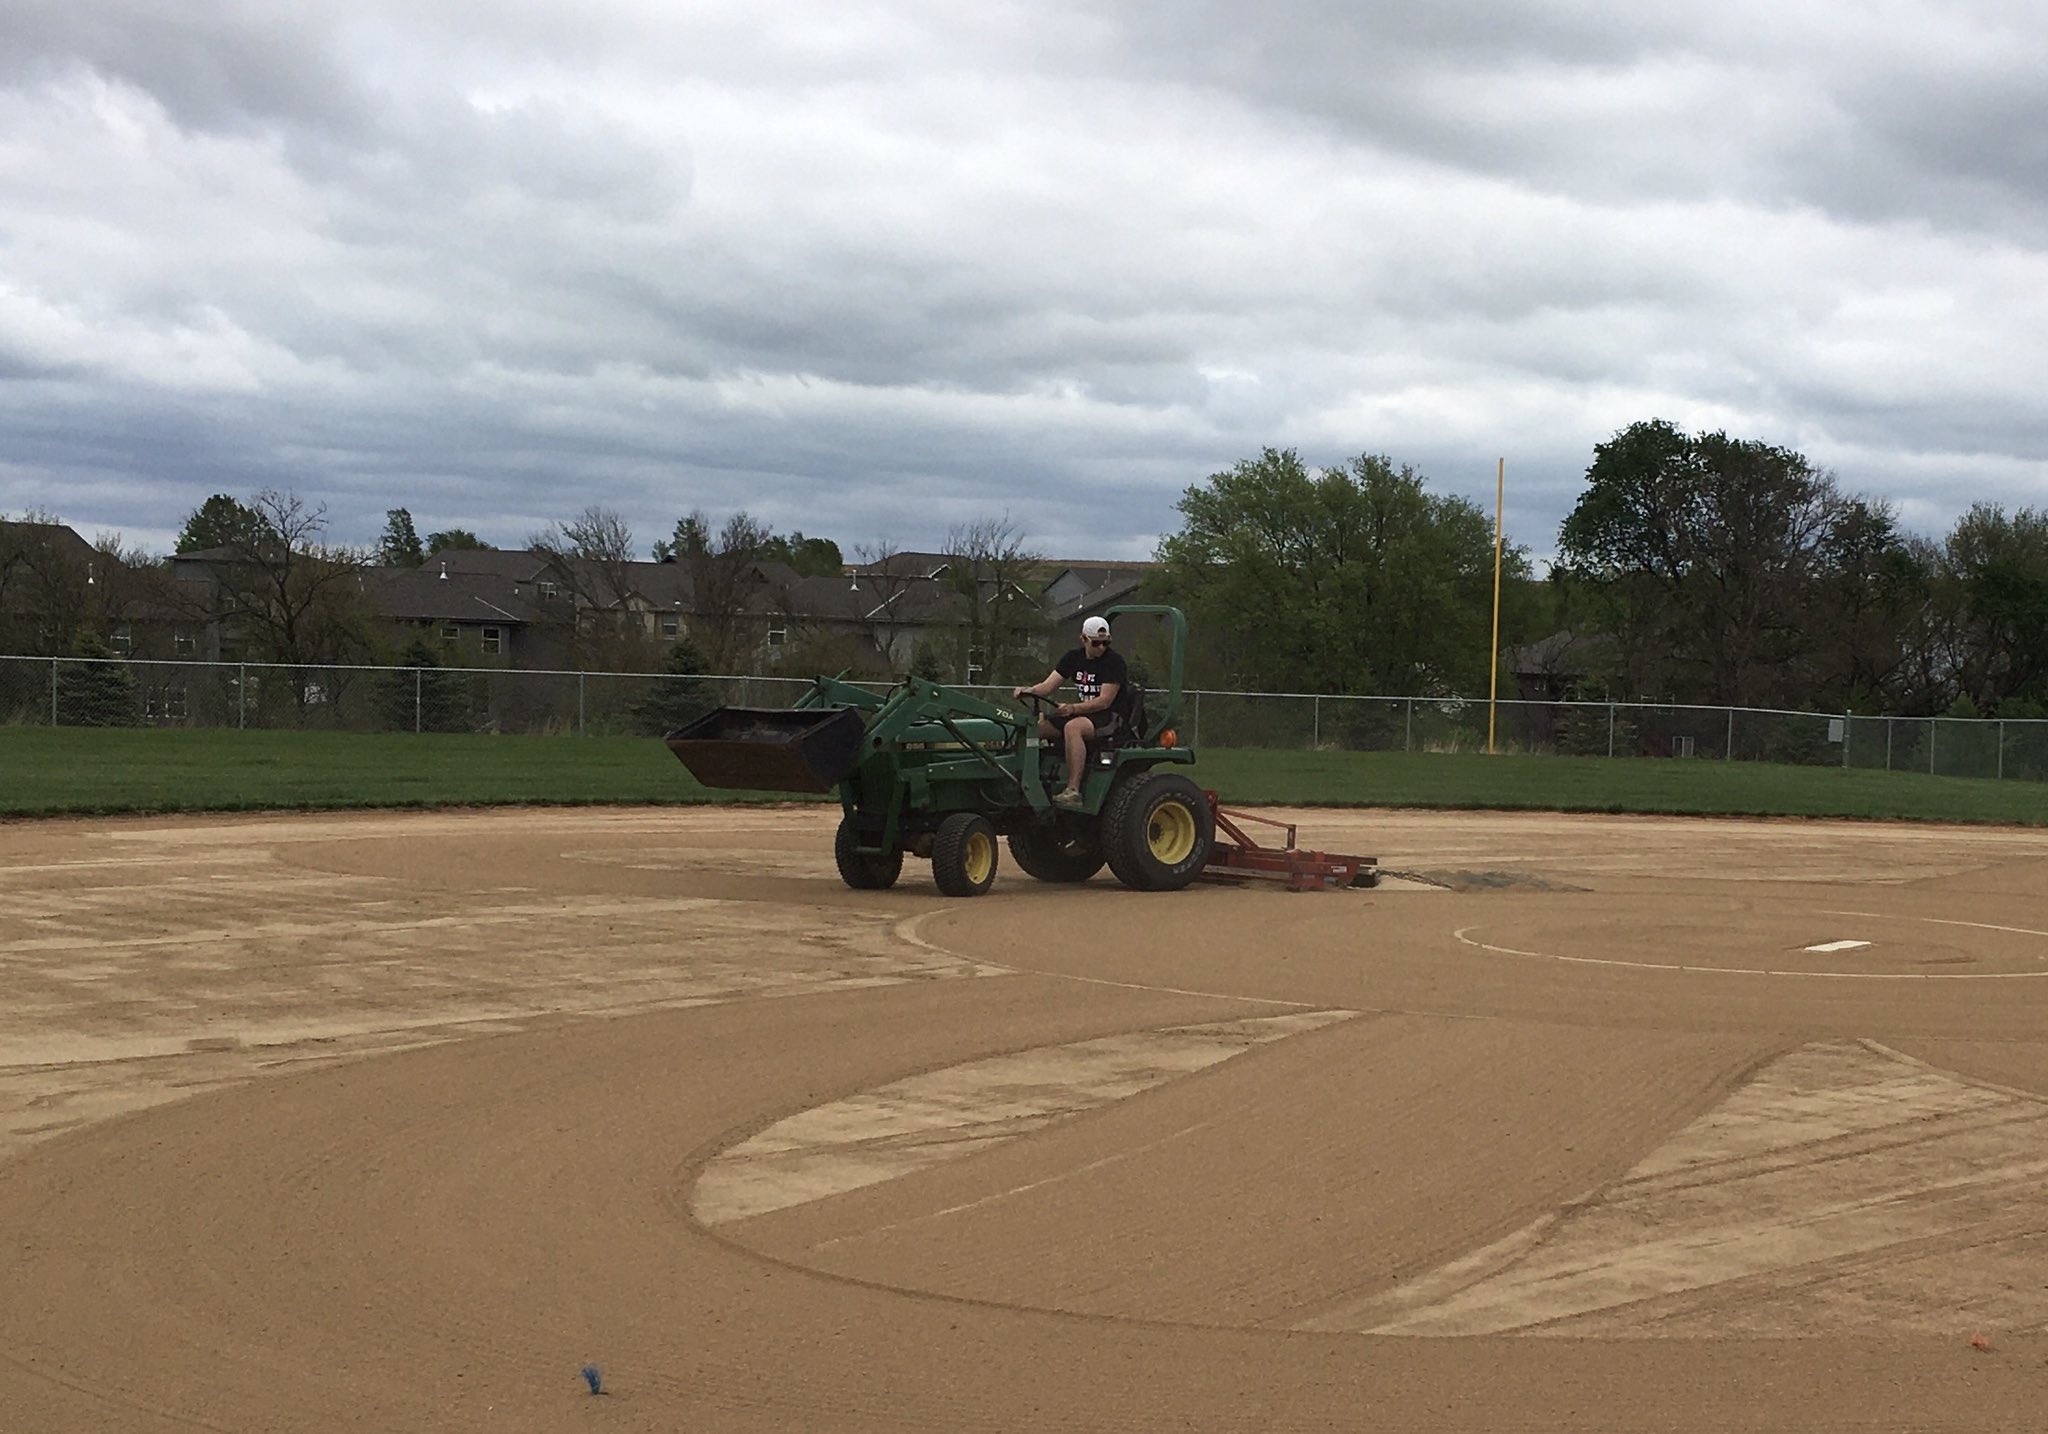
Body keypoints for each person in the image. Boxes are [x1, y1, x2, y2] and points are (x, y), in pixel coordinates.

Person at [1013, 614, 1132, 807]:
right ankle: (1026, 780)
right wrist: (1028, 690)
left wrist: (1073, 708)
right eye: (1096, 643)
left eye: (1105, 643)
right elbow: (1047, 686)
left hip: (1109, 717)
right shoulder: (1072, 658)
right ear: (1083, 639)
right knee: (1035, 728)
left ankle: (1073, 790)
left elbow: (1104, 701)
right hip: (1084, 713)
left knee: (1072, 727)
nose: (1101, 647)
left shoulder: (1114, 662)